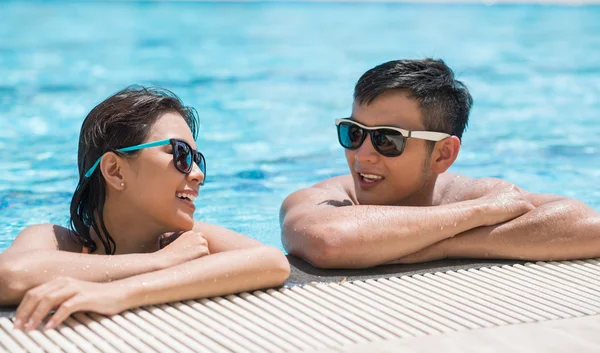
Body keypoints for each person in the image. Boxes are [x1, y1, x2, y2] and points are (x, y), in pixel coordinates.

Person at [0, 86, 290, 330]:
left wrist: (119, 292)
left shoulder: (185, 239)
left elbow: (272, 263)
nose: (197, 174)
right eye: (180, 153)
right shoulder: (58, 241)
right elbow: (9, 274)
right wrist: (158, 262)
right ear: (115, 171)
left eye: (197, 158)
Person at [280, 58, 600, 269]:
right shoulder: (328, 197)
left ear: (443, 154)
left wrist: (439, 245)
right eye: (354, 133)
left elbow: (589, 228)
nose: (362, 155)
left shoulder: (470, 191)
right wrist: (477, 215)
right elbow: (329, 241)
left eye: (387, 139)